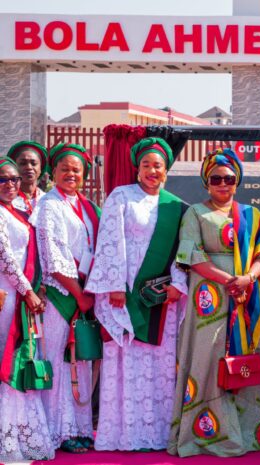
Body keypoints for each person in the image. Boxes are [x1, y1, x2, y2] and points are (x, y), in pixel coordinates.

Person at [168, 148, 260, 456]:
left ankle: (249, 431)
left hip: (247, 296)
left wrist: (249, 278)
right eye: (216, 178)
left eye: (229, 179)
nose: (223, 184)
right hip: (211, 298)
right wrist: (228, 280)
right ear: (206, 182)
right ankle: (208, 433)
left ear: (237, 181)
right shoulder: (195, 213)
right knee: (210, 357)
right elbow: (192, 256)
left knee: (249, 356)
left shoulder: (253, 215)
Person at [84, 137, 187, 451]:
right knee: (127, 362)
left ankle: (157, 433)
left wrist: (178, 285)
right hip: (126, 293)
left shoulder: (177, 206)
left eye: (158, 165)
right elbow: (110, 240)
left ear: (166, 170)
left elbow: (183, 253)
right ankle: (126, 433)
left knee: (159, 364)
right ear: (137, 168)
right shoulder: (122, 196)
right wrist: (114, 284)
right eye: (146, 165)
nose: (152, 171)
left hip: (159, 300)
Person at [32, 143, 100, 454]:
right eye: (65, 169)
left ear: (84, 174)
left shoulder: (85, 206)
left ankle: (82, 427)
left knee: (81, 361)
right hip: (61, 295)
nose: (71, 173)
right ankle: (59, 431)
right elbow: (52, 255)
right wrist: (78, 294)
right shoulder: (49, 205)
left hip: (84, 293)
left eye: (76, 169)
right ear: (53, 173)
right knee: (58, 363)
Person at [0, 158, 55, 461]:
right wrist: (28, 290)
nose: (10, 185)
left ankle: (18, 431)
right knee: (7, 357)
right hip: (6, 297)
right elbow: (5, 257)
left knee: (23, 356)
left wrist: (36, 287)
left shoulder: (20, 211)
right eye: (3, 180)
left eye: (13, 179)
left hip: (22, 294)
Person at [6, 141, 47, 213]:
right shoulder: (6, 199)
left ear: (41, 168)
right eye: (23, 163)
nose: (28, 167)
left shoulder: (48, 200)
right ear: (14, 168)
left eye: (33, 163)